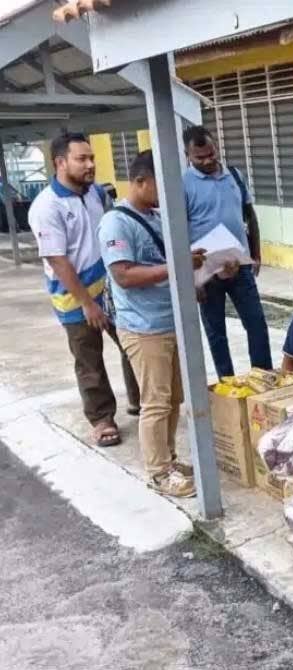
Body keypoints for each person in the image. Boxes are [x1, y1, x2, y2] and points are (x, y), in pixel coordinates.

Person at [97, 151, 209, 498]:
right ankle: (158, 472)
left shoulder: (159, 217)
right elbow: (124, 274)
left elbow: (169, 262)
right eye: (163, 183)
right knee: (156, 401)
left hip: (171, 319)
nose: (169, 191)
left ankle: (170, 459)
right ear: (141, 181)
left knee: (173, 397)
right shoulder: (117, 223)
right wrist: (178, 266)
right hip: (144, 327)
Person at [27, 132, 141, 448]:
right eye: (82, 159)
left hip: (112, 290)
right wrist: (87, 303)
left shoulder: (95, 195)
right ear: (60, 163)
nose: (91, 164)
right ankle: (102, 418)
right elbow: (58, 261)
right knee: (89, 360)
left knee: (134, 346)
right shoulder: (46, 206)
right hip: (75, 297)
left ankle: (139, 401)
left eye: (91, 158)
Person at [182, 125, 272, 378]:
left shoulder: (233, 174)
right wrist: (193, 279)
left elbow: (249, 213)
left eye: (212, 153)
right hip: (206, 271)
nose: (209, 160)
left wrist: (255, 252)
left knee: (256, 324)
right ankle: (227, 382)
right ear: (187, 155)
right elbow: (179, 230)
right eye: (200, 157)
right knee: (216, 332)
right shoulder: (182, 184)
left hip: (239, 264)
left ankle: (263, 377)